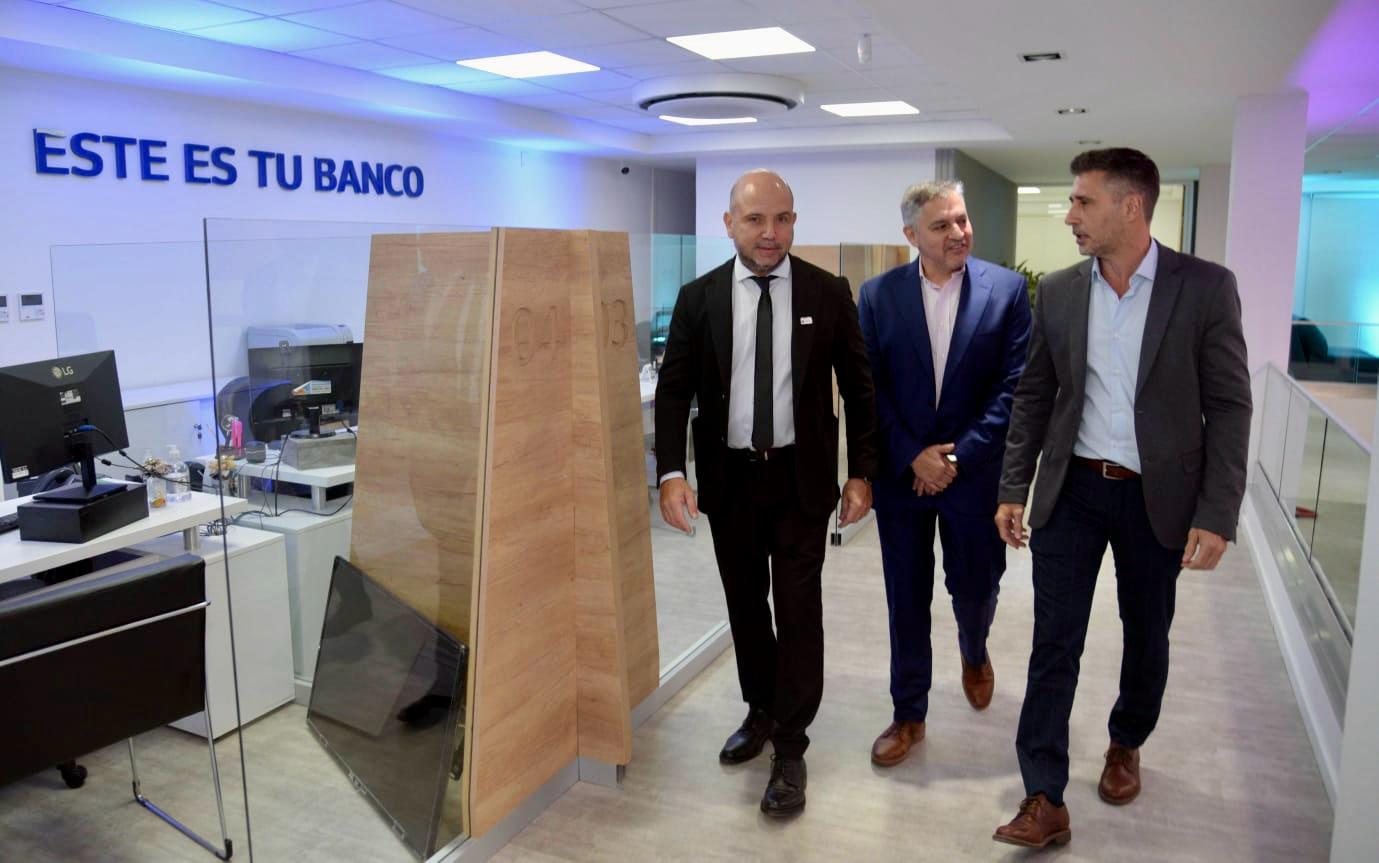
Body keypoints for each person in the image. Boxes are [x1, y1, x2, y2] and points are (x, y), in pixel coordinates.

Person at [991, 148, 1251, 848]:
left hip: (1156, 497)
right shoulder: (1061, 290)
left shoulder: (1204, 287)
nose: (1070, 215)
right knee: (1054, 640)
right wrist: (1013, 485)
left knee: (1146, 632)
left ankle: (1126, 739)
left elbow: (1229, 405)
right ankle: (1043, 793)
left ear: (1130, 206)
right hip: (1072, 489)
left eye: (1083, 201)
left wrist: (1217, 512)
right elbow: (1035, 395)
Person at [654, 169, 879, 817]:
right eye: (755, 220)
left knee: (799, 608)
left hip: (799, 480)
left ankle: (791, 744)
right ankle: (760, 708)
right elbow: (675, 391)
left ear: (793, 223)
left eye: (782, 219)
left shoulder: (826, 292)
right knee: (747, 607)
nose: (770, 233)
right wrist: (671, 472)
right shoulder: (698, 298)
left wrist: (862, 472)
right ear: (729, 224)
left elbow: (860, 387)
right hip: (730, 483)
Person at [857, 181, 1031, 768]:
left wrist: (955, 459)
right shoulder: (877, 296)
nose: (959, 233)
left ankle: (974, 649)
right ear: (911, 235)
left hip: (973, 478)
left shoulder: (1007, 291)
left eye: (962, 220)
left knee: (977, 589)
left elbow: (1013, 388)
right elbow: (868, 388)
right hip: (903, 479)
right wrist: (914, 455)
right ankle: (909, 713)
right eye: (941, 225)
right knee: (906, 597)